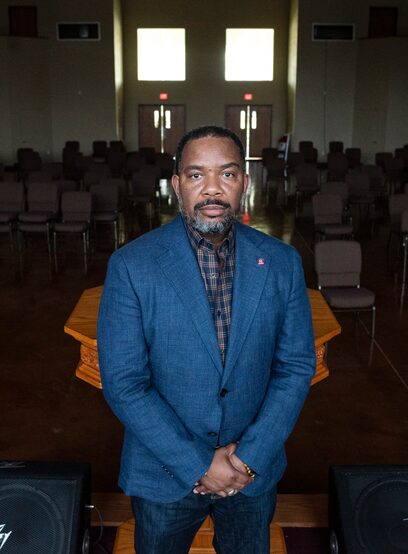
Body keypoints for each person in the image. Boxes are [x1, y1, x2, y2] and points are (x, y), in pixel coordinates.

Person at [97, 125, 316, 553]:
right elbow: (124, 383)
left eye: (228, 174)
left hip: (250, 472)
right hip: (164, 472)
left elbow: (295, 367)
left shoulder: (282, 262)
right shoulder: (131, 265)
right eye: (197, 175)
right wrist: (198, 464)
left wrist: (247, 458)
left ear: (245, 183)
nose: (212, 189)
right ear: (177, 185)